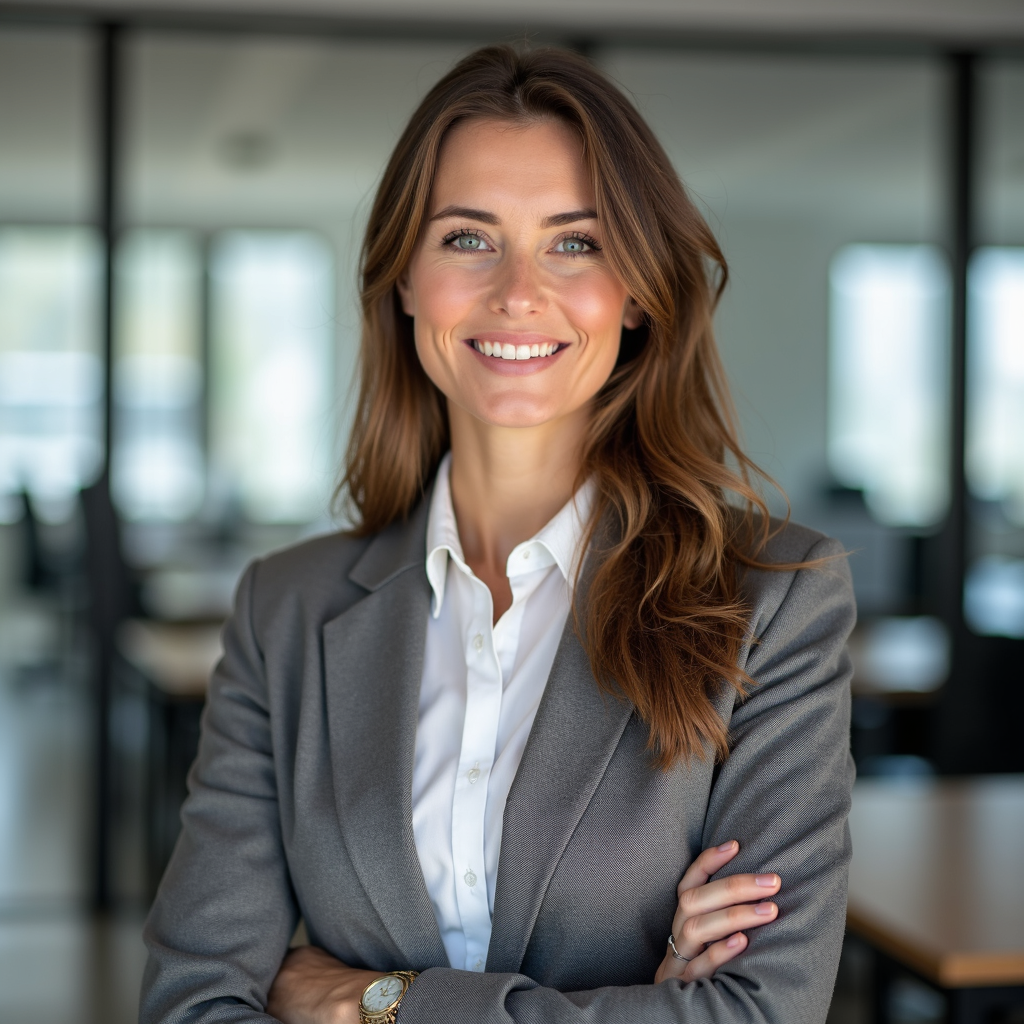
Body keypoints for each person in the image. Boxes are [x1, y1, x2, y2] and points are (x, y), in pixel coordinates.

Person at [140, 45, 855, 1024]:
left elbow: (761, 1012)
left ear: (638, 290)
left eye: (574, 242)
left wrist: (373, 1000)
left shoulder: (772, 599)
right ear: (400, 281)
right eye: (468, 239)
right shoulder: (285, 612)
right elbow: (192, 1002)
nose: (518, 291)